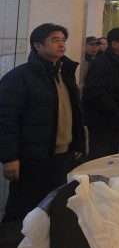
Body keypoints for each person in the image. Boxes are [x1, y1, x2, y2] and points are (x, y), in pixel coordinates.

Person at [0, 23, 85, 222]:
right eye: (55, 40)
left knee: (55, 209)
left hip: (63, 156)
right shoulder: (19, 77)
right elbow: (6, 119)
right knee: (23, 211)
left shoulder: (65, 74)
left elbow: (73, 112)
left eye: (63, 40)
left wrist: (77, 143)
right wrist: (9, 157)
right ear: (37, 45)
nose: (61, 45)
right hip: (33, 158)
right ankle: (11, 242)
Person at [83, 27, 119, 160]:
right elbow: (95, 92)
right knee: (100, 157)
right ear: (114, 44)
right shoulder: (101, 63)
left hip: (116, 119)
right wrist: (115, 109)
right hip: (101, 120)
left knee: (112, 157)